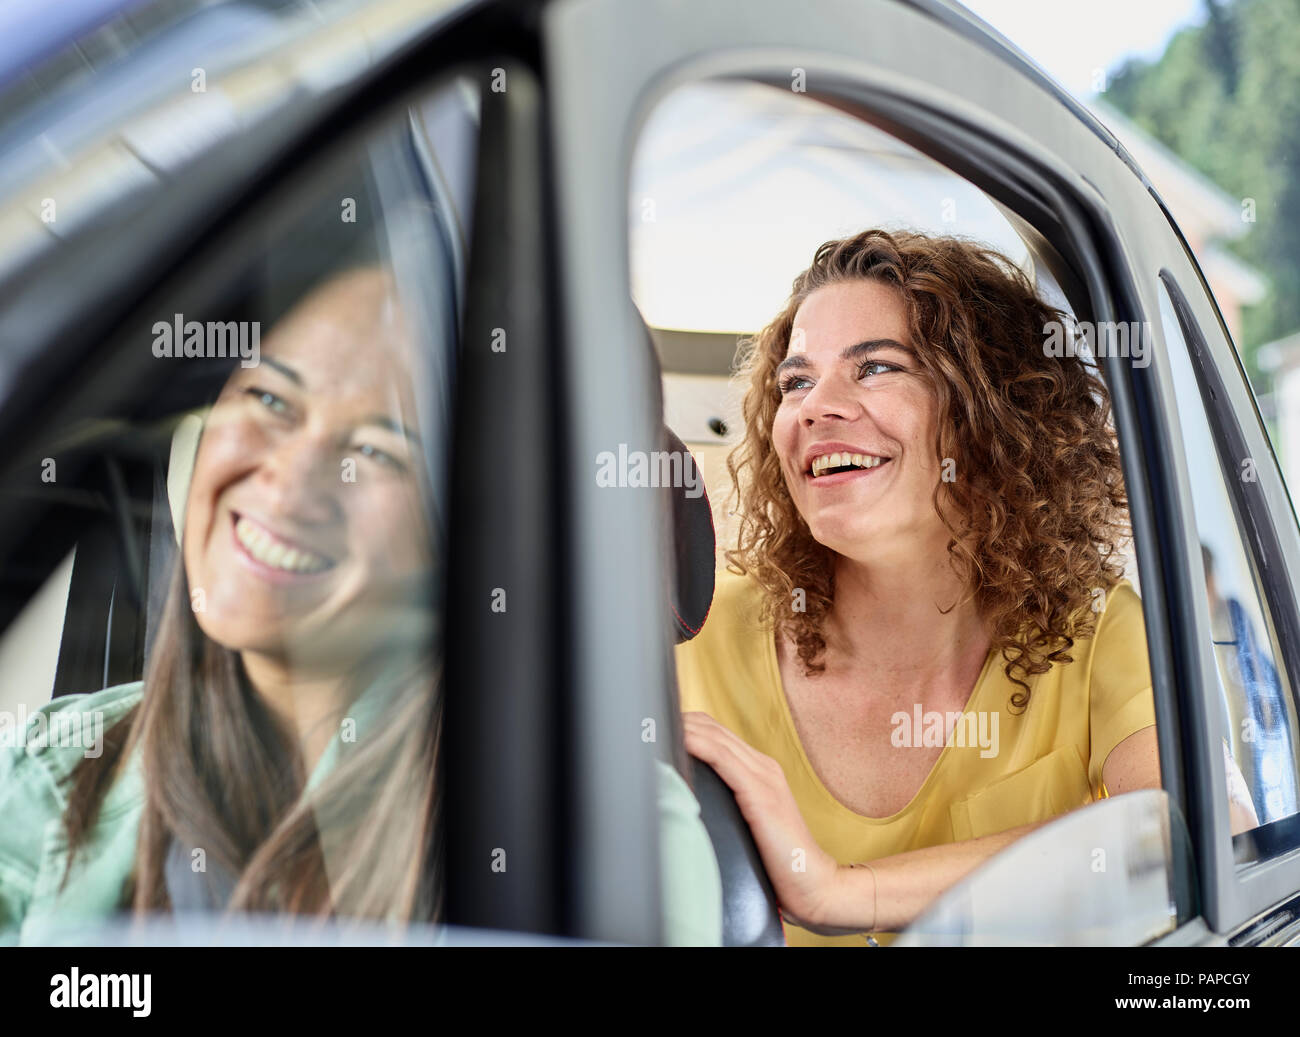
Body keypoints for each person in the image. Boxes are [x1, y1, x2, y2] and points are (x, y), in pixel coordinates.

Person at [0, 266, 722, 945]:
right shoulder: (59, 765)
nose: (287, 486)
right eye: (272, 399)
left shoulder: (619, 837)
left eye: (380, 448)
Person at [677, 229, 1163, 946]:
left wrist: (846, 891)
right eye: (796, 381)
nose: (815, 407)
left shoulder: (1095, 630)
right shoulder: (697, 630)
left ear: (988, 412)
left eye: (874, 367)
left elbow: (1185, 835)